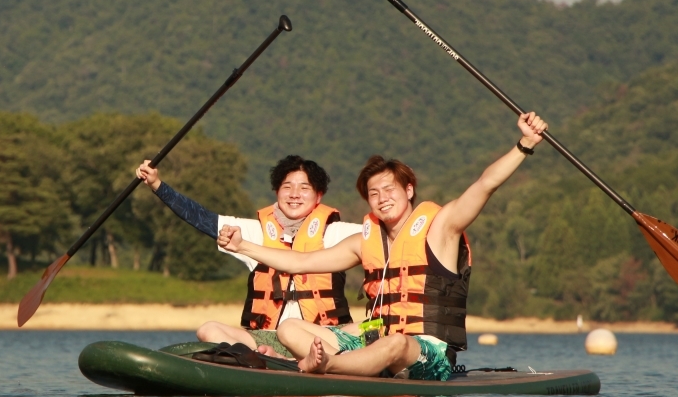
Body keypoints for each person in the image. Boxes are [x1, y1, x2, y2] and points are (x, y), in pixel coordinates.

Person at [217, 112, 549, 380]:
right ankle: (342, 362)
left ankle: (326, 366)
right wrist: (242, 245)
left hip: (423, 350)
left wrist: (524, 144)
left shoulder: (441, 227)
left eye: (389, 189)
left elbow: (485, 184)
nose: (381, 199)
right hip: (374, 339)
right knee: (290, 327)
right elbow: (299, 263)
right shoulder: (366, 241)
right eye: (373, 194)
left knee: (394, 344)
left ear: (408, 190)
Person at [136, 155, 361, 355]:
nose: (294, 195)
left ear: (318, 196)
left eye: (304, 188)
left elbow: (385, 236)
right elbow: (202, 218)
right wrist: (157, 185)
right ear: (276, 191)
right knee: (208, 330)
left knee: (363, 328)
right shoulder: (255, 231)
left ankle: (284, 359)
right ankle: (270, 358)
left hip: (321, 336)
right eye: (287, 187)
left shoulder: (336, 233)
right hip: (267, 337)